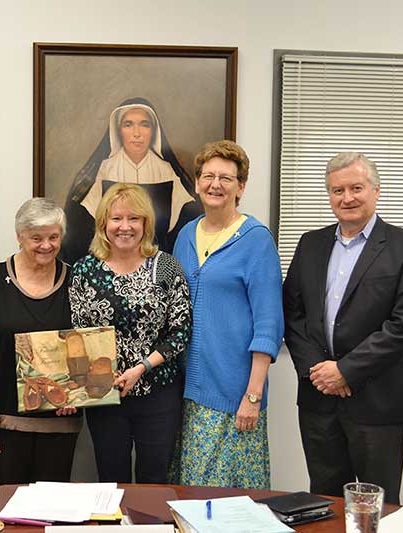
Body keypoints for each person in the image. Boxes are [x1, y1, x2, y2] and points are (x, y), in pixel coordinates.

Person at [283, 152, 403, 504]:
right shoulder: (310, 243)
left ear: (376, 190)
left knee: (379, 503)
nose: (346, 198)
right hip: (318, 398)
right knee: (325, 500)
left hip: (379, 400)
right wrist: (319, 372)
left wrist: (345, 371)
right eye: (337, 190)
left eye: (356, 188)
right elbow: (292, 312)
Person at [171, 140, 284, 489]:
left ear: (241, 187)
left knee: (229, 500)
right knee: (190, 492)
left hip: (234, 395)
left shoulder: (256, 240)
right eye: (208, 176)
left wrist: (253, 396)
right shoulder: (186, 236)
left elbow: (268, 325)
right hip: (188, 391)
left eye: (226, 178)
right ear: (197, 183)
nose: (215, 184)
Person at [69, 183, 191, 483]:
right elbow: (79, 332)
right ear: (103, 224)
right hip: (104, 394)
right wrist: (98, 374)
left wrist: (141, 367)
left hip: (158, 392)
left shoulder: (166, 267)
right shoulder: (85, 270)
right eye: (116, 218)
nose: (125, 226)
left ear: (146, 223)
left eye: (134, 218)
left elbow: (180, 330)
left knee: (154, 478)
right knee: (111, 478)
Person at [0, 198, 80, 485]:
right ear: (19, 236)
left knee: (53, 506)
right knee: (6, 503)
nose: (46, 245)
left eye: (53, 237)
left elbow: (85, 344)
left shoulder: (75, 281)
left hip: (60, 422)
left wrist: (75, 392)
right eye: (36, 238)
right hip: (6, 422)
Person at [60, 97, 202, 263]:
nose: (136, 133)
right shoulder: (103, 171)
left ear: (153, 131)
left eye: (144, 124)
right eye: (128, 124)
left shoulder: (168, 172)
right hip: (110, 265)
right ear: (118, 131)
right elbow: (82, 233)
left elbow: (183, 231)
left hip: (156, 265)